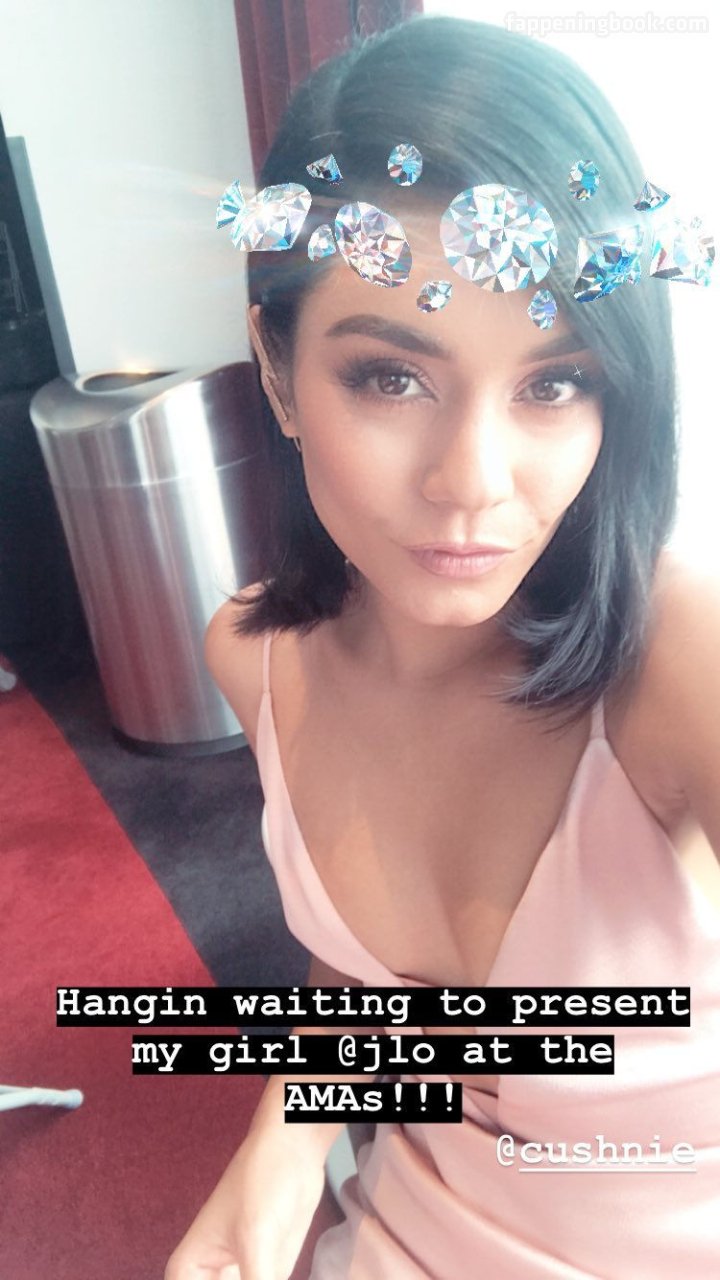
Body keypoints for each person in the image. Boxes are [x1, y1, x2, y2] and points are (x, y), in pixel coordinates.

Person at [165, 14, 720, 1279]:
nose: (472, 481)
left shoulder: (681, 660)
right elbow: (373, 980)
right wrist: (272, 1174)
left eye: (554, 382)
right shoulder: (253, 656)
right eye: (391, 378)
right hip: (414, 1228)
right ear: (278, 370)